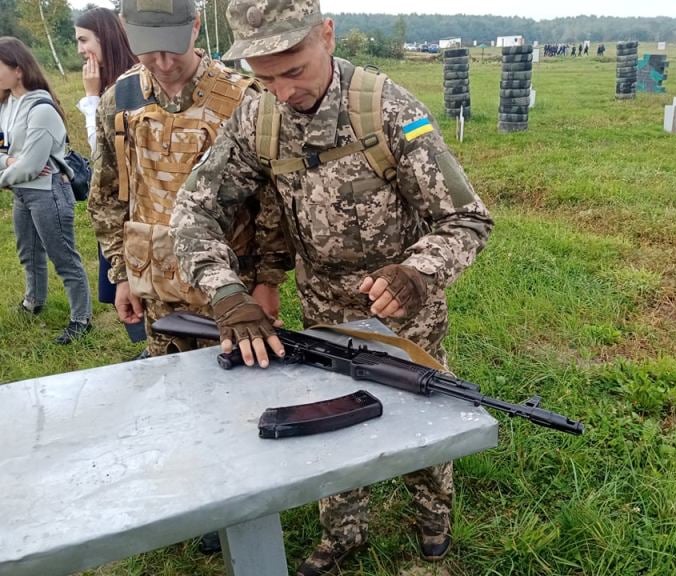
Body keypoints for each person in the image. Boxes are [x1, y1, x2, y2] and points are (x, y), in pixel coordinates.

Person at [169, 0, 493, 574]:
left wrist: (418, 273)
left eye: (295, 70)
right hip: (325, 311)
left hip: (406, 310)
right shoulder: (257, 119)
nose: (284, 91)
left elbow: (467, 218)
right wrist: (225, 292)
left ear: (327, 34)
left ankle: (432, 522)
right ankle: (344, 533)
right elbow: (193, 212)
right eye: (265, 78)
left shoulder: (388, 110)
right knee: (331, 423)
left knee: (421, 414)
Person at [87, 0, 256, 360]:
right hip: (155, 286)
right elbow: (107, 196)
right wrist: (121, 274)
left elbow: (269, 202)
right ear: (125, 29)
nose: (164, 63)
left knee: (239, 393)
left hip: (231, 287)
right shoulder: (120, 100)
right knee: (169, 392)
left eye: (173, 48)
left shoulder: (243, 99)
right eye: (150, 49)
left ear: (195, 27)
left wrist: (268, 281)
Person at [0, 37, 93, 344]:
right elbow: (10, 155)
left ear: (18, 69)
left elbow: (33, 165)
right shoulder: (6, 104)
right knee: (28, 252)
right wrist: (13, 160)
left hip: (48, 192)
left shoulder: (42, 109)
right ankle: (33, 302)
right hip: (22, 193)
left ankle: (82, 319)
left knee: (63, 256)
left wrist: (13, 167)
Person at [74, 7, 147, 347]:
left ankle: (151, 345)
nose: (80, 50)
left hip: (136, 207)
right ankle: (145, 343)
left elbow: (102, 153)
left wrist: (91, 98)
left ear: (106, 38)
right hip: (114, 211)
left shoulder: (128, 86)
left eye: (84, 40)